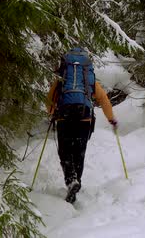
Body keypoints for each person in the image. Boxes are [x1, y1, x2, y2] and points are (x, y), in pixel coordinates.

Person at [46, 48, 118, 203]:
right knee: (79, 152)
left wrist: (52, 112)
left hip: (64, 117)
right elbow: (104, 100)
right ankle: (76, 181)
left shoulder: (62, 79)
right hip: (84, 118)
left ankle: (71, 180)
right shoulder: (89, 79)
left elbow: (50, 98)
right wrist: (111, 118)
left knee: (65, 151)